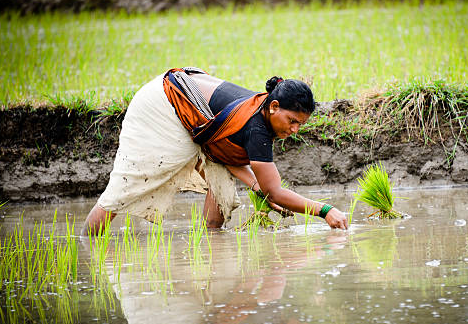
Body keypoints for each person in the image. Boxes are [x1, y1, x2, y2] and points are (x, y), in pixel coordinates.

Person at [82, 67, 348, 235]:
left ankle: (212, 241)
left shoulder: (261, 111)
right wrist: (325, 211)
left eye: (301, 125)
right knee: (125, 188)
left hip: (187, 104)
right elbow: (273, 190)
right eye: (292, 122)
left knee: (221, 187)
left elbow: (223, 148)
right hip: (163, 105)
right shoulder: (257, 129)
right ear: (275, 106)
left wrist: (256, 185)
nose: (295, 131)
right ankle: (87, 245)